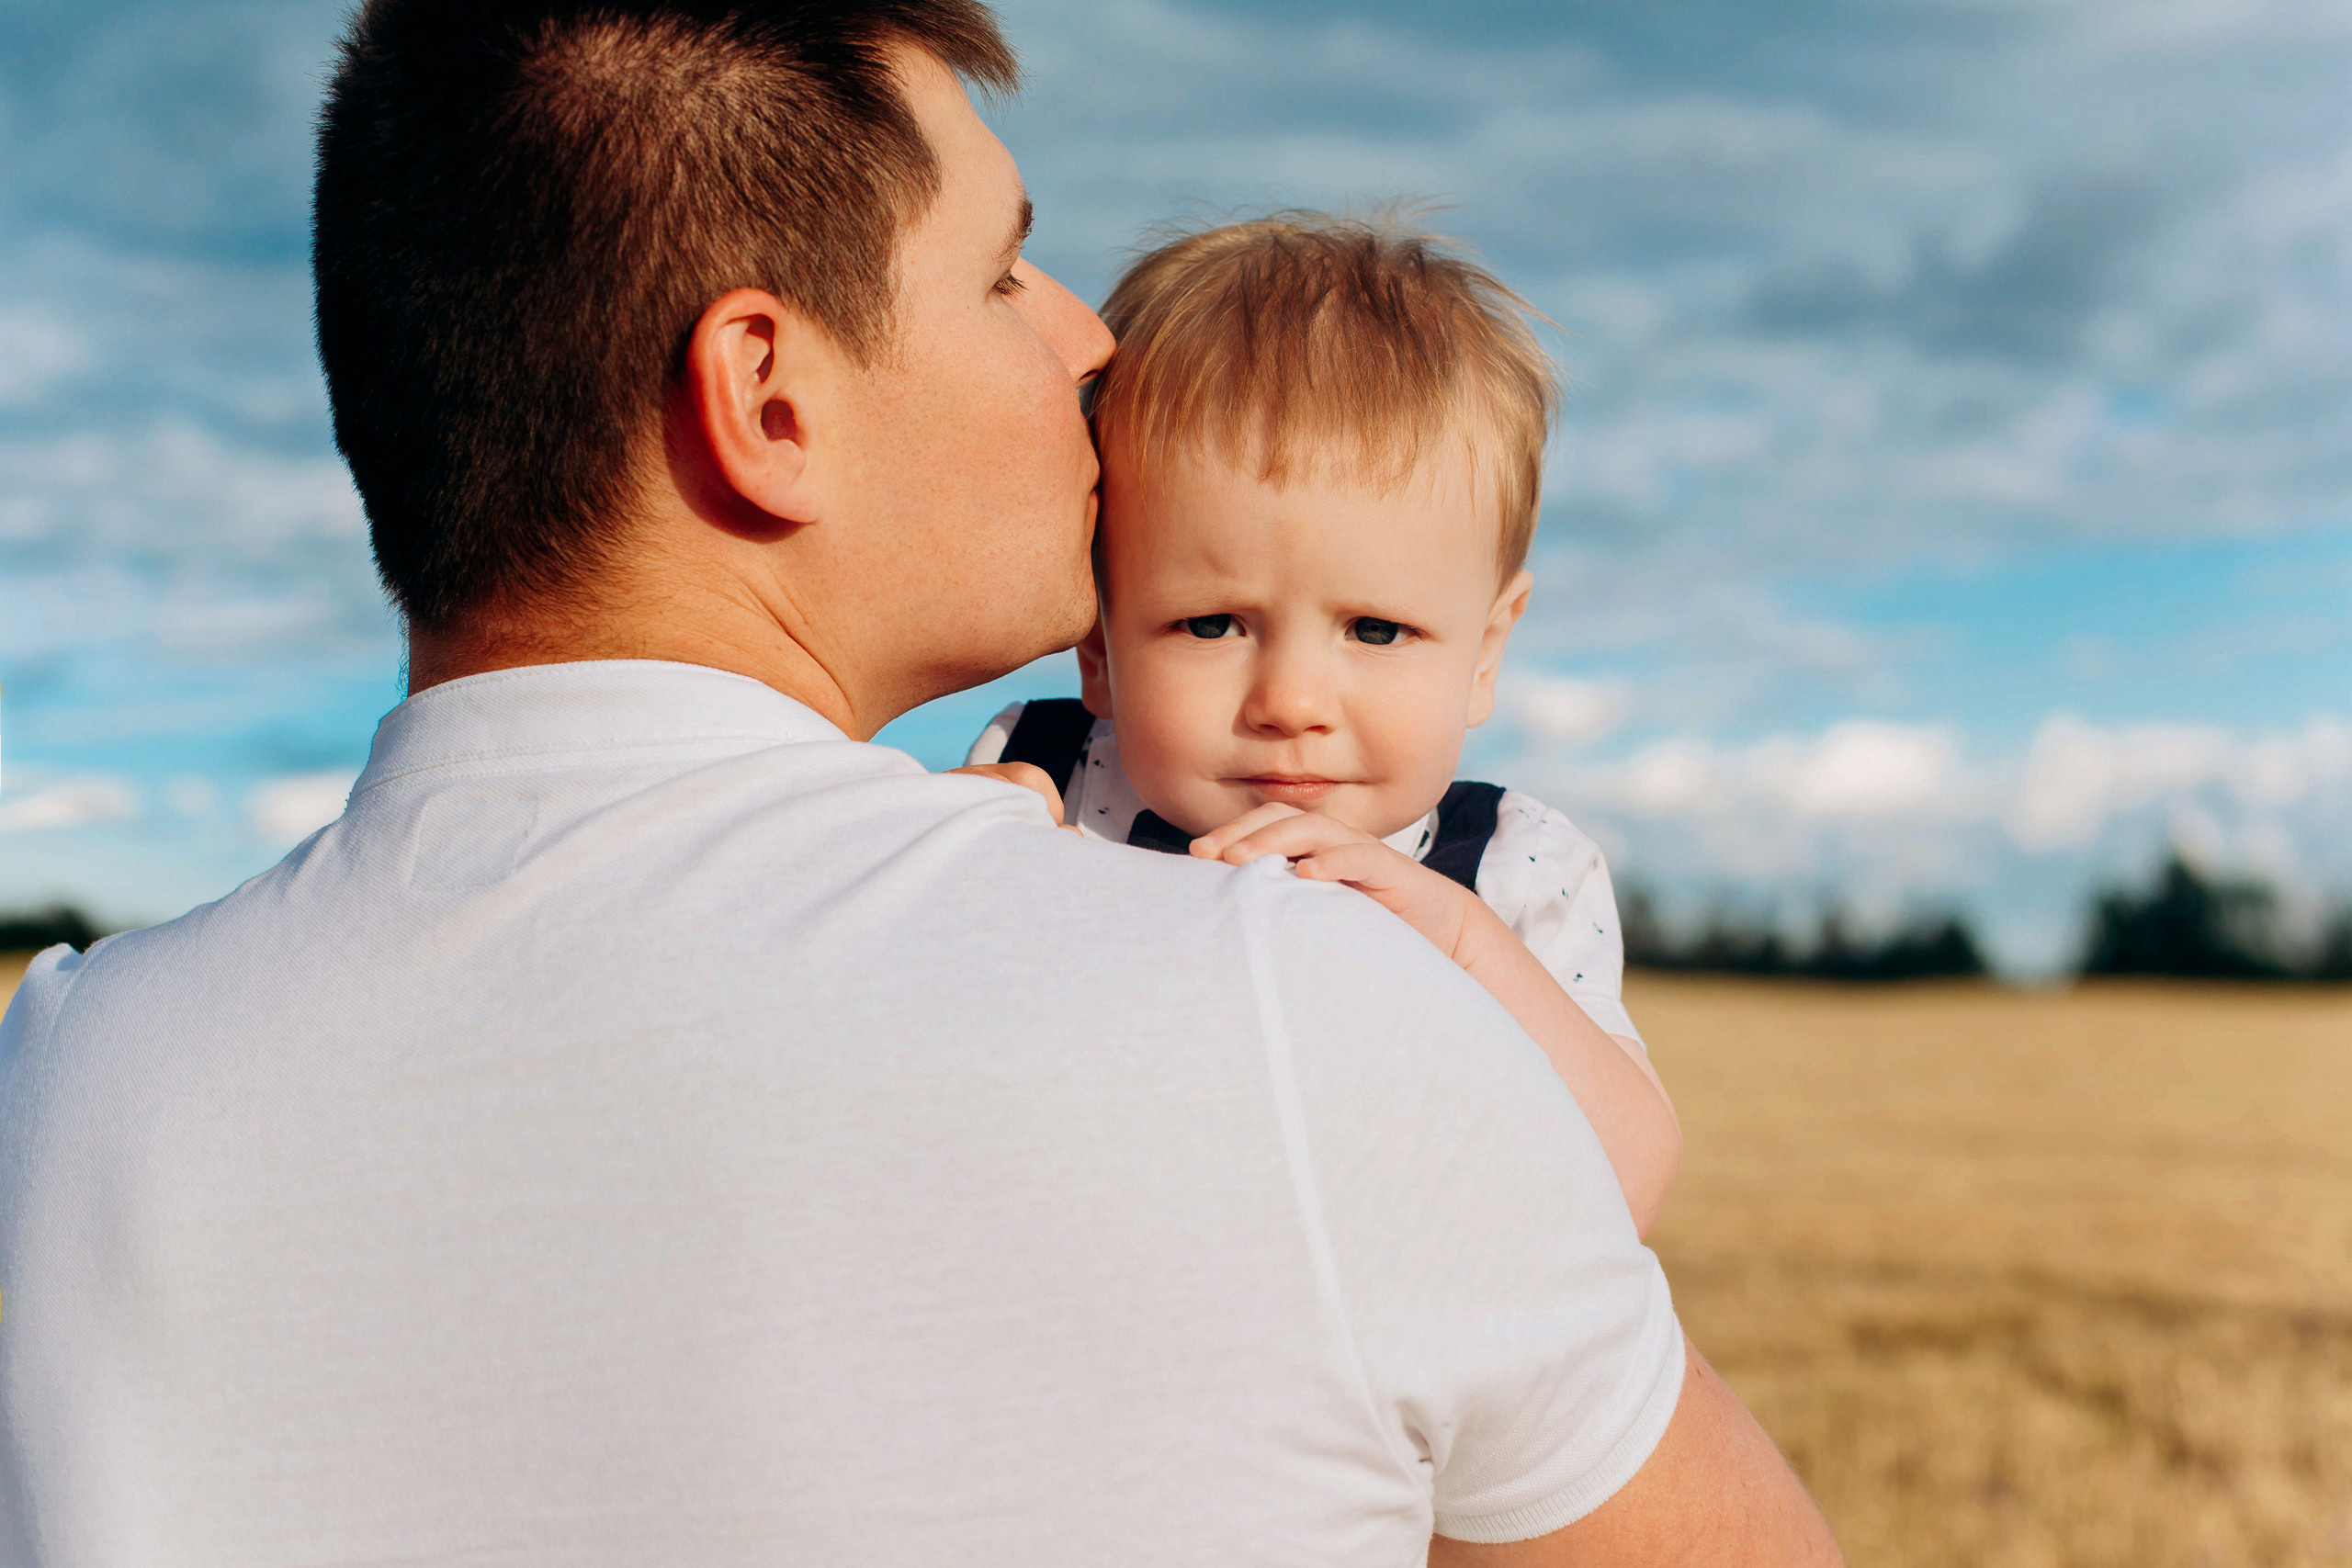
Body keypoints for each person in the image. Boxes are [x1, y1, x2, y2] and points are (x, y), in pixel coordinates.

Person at [0, 1, 1840, 1562]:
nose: (1086, 337)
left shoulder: (57, 1080)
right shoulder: (1306, 1002)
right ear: (769, 398)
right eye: (996, 270)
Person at [965, 213, 1679, 1235]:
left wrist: (1460, 941)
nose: (1291, 703)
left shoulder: (1509, 873)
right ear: (1097, 643)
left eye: (1377, 631)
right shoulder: (1042, 787)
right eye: (1210, 624)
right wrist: (950, 866)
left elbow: (1631, 1189)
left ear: (1484, 651)